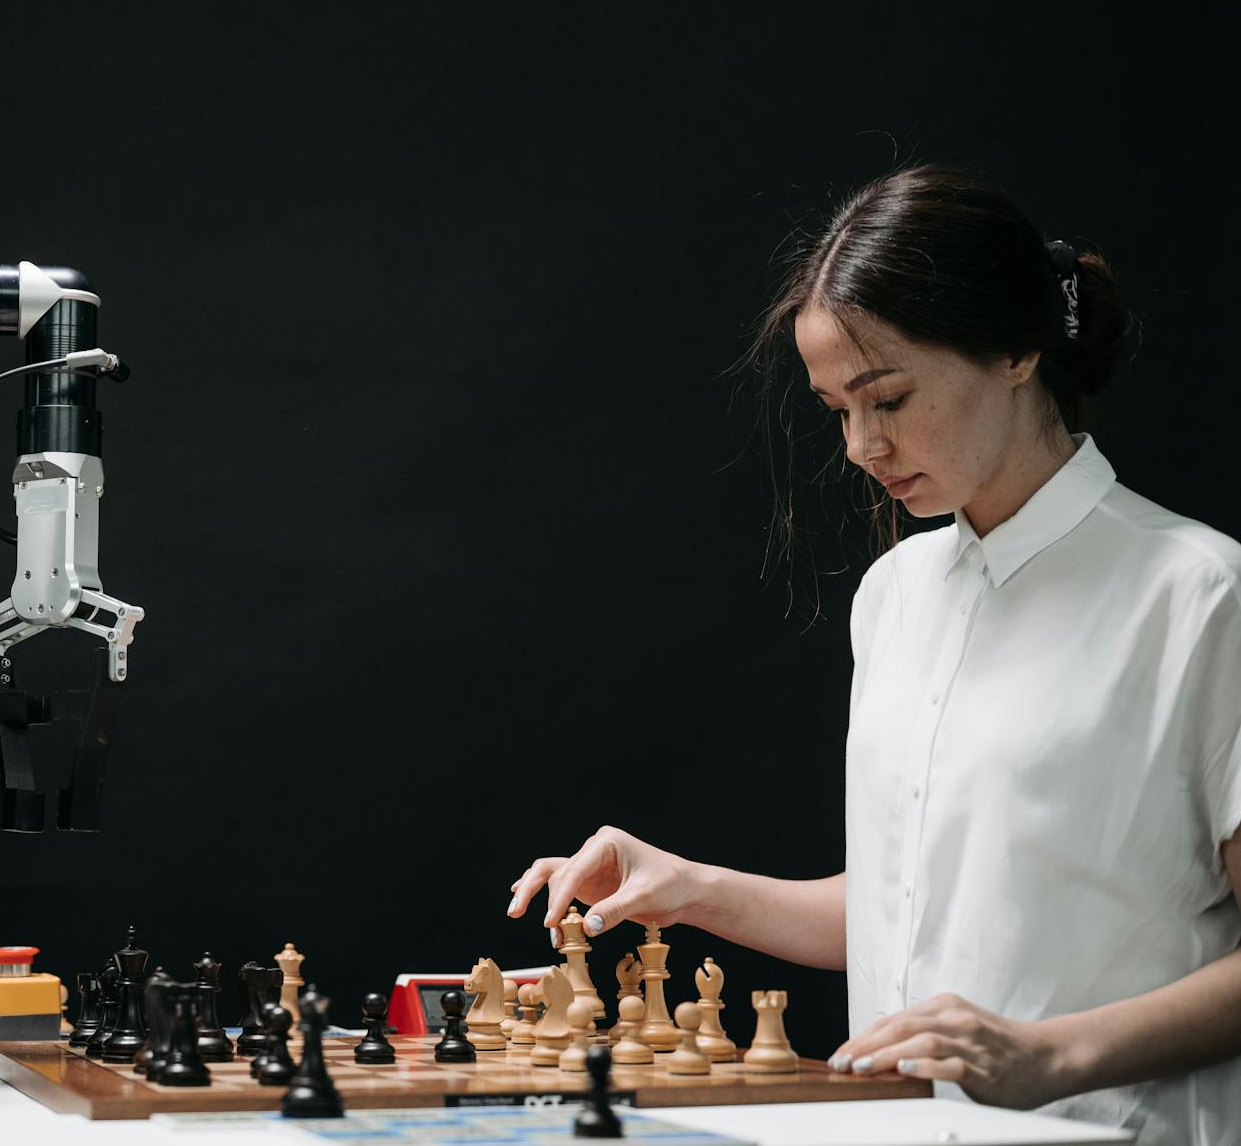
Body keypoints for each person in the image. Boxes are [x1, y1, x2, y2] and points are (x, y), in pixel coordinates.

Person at [507, 167, 1240, 1144]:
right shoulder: (895, 597)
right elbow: (911, 899)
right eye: (833, 409)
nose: (860, 444)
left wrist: (1052, 1052)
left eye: (885, 396)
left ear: (1017, 348)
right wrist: (682, 884)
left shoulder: (1197, 594)